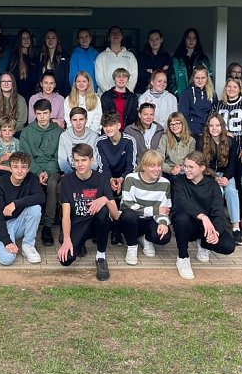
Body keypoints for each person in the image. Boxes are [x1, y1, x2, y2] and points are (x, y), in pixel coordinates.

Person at [57, 143, 119, 281]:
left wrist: (105, 199)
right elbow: (65, 215)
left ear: (92, 160)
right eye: (77, 160)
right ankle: (80, 244)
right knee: (65, 260)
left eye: (84, 160)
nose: (80, 164)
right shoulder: (66, 181)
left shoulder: (102, 178)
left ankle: (101, 256)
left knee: (103, 211)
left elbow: (115, 216)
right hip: (78, 222)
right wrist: (67, 239)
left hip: (97, 222)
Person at [171, 151, 237, 280]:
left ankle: (204, 244)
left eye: (191, 167)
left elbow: (218, 212)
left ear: (202, 168)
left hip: (206, 227)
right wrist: (202, 216)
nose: (186, 170)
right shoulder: (180, 181)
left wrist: (216, 232)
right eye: (185, 166)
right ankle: (183, 257)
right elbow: (181, 203)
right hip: (189, 225)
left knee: (228, 246)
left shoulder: (212, 185)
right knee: (181, 218)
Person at [19, 98, 64, 246]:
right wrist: (38, 172)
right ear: (35, 114)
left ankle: (47, 227)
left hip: (53, 169)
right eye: (39, 114)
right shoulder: (27, 132)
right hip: (32, 169)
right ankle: (25, 224)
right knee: (29, 184)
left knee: (52, 184)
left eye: (45, 113)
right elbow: (26, 157)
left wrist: (47, 171)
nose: (42, 117)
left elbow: (59, 156)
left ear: (51, 113)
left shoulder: (59, 132)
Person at [0, 151, 45, 265]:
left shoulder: (31, 178)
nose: (19, 171)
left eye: (23, 167)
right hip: (3, 226)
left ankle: (28, 245)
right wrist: (7, 241)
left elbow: (41, 197)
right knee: (7, 259)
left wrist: (15, 204)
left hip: (20, 223)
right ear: (10, 168)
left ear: (28, 169)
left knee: (35, 209)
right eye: (15, 167)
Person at [118, 149, 173, 265]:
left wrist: (163, 222)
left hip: (151, 220)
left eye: (159, 166)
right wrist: (155, 210)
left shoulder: (165, 183)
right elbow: (128, 204)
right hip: (134, 220)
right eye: (152, 166)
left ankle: (147, 239)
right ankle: (132, 246)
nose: (157, 169)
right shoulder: (131, 178)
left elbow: (165, 209)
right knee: (128, 215)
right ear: (144, 166)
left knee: (164, 237)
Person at [198, 113, 242, 245]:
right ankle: (218, 226)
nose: (214, 128)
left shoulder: (230, 141)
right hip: (209, 175)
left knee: (231, 192)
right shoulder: (202, 141)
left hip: (226, 175)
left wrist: (226, 178)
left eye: (217, 125)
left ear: (222, 126)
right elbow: (202, 165)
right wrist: (215, 178)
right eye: (211, 125)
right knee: (219, 193)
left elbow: (233, 164)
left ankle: (236, 227)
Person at [96, 111, 137, 245]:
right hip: (107, 176)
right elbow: (103, 166)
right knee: (104, 187)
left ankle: (118, 229)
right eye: (105, 126)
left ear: (119, 125)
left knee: (128, 186)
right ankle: (104, 226)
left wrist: (121, 179)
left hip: (125, 176)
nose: (108, 128)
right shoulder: (100, 141)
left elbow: (131, 166)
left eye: (111, 125)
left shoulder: (129, 140)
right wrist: (110, 180)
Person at [212, 78, 242, 165]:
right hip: (223, 148)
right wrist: (224, 132)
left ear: (240, 89)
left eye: (235, 87)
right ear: (225, 88)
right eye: (229, 86)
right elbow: (210, 123)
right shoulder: (218, 104)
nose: (231, 89)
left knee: (240, 175)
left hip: (241, 147)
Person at [58, 107, 101, 175]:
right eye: (74, 120)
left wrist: (85, 174)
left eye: (81, 119)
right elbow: (62, 161)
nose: (78, 123)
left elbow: (95, 162)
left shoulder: (94, 136)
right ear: (70, 121)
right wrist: (74, 175)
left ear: (86, 120)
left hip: (89, 173)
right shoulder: (64, 136)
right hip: (70, 172)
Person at [95, 26, 138, 93]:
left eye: (118, 33)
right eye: (113, 33)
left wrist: (126, 91)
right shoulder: (101, 56)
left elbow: (134, 76)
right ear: (109, 37)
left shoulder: (130, 56)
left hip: (126, 96)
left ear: (122, 36)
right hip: (106, 97)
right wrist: (111, 93)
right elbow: (100, 78)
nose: (116, 35)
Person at [178, 66, 218, 138]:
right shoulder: (186, 93)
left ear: (207, 78)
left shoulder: (212, 94)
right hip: (191, 133)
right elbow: (183, 115)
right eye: (197, 78)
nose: (200, 81)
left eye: (203, 78)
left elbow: (215, 114)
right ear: (193, 78)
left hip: (209, 133)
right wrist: (195, 131)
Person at [170, 28, 212, 96]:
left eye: (194, 38)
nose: (191, 40)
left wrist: (204, 94)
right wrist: (176, 92)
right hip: (180, 96)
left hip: (199, 96)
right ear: (184, 39)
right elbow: (171, 79)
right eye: (188, 38)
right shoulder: (176, 59)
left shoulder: (203, 59)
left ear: (197, 40)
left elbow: (209, 78)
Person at [155, 111, 195, 177]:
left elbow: (191, 159)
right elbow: (159, 158)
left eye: (177, 123)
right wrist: (170, 169)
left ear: (183, 124)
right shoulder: (164, 138)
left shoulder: (191, 140)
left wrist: (182, 168)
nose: (174, 126)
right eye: (171, 124)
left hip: (185, 170)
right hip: (168, 170)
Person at [134, 29, 172, 94]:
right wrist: (160, 71)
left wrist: (151, 72)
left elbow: (169, 74)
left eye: (157, 39)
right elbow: (141, 75)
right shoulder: (141, 56)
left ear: (161, 39)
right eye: (151, 40)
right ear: (148, 41)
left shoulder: (166, 56)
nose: (154, 42)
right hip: (142, 92)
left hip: (161, 93)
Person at [8, 29, 41, 97]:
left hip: (33, 94)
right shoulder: (15, 57)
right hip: (18, 95)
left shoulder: (34, 57)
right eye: (23, 38)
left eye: (28, 38)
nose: (26, 40)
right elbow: (12, 77)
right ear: (19, 40)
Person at [38, 29, 70, 96]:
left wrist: (66, 95)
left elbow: (66, 79)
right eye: (48, 38)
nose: (50, 40)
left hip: (60, 93)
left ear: (58, 40)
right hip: (43, 93)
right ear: (44, 40)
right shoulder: (40, 56)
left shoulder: (64, 56)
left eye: (53, 38)